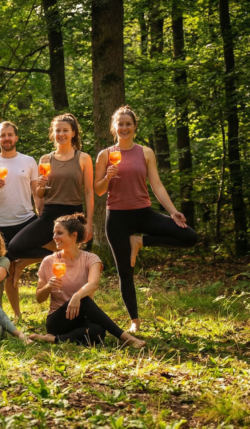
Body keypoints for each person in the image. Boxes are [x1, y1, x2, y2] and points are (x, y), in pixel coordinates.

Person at [95, 106, 197, 333]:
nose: (124, 128)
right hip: (117, 218)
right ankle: (134, 321)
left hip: (143, 213)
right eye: (120, 124)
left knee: (189, 236)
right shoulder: (105, 154)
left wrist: (172, 211)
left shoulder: (145, 152)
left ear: (134, 127)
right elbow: (98, 190)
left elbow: (156, 185)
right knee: (125, 271)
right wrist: (107, 177)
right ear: (114, 127)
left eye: (128, 124)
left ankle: (140, 241)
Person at [6, 114, 94, 313]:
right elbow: (39, 193)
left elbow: (88, 191)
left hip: (73, 215)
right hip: (50, 213)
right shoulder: (46, 159)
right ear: (52, 134)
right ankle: (36, 259)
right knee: (14, 247)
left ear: (73, 133)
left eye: (65, 130)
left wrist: (88, 223)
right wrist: (42, 187)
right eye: (57, 130)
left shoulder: (83, 158)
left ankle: (74, 305)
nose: (61, 134)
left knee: (72, 262)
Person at [29, 214, 145, 348]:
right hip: (59, 320)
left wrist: (76, 296)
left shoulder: (91, 259)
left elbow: (93, 284)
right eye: (54, 232)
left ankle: (54, 340)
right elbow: (39, 298)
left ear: (74, 235)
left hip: (82, 318)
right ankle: (126, 337)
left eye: (59, 233)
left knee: (98, 333)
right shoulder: (49, 261)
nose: (55, 237)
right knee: (84, 300)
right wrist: (48, 286)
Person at [0, 121, 40, 319]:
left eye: (9, 134)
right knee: (9, 270)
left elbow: (36, 192)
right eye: (2, 135)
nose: (6, 138)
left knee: (52, 249)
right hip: (1, 223)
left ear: (16, 137)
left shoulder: (29, 160)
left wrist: (42, 214)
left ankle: (24, 263)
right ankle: (17, 315)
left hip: (27, 220)